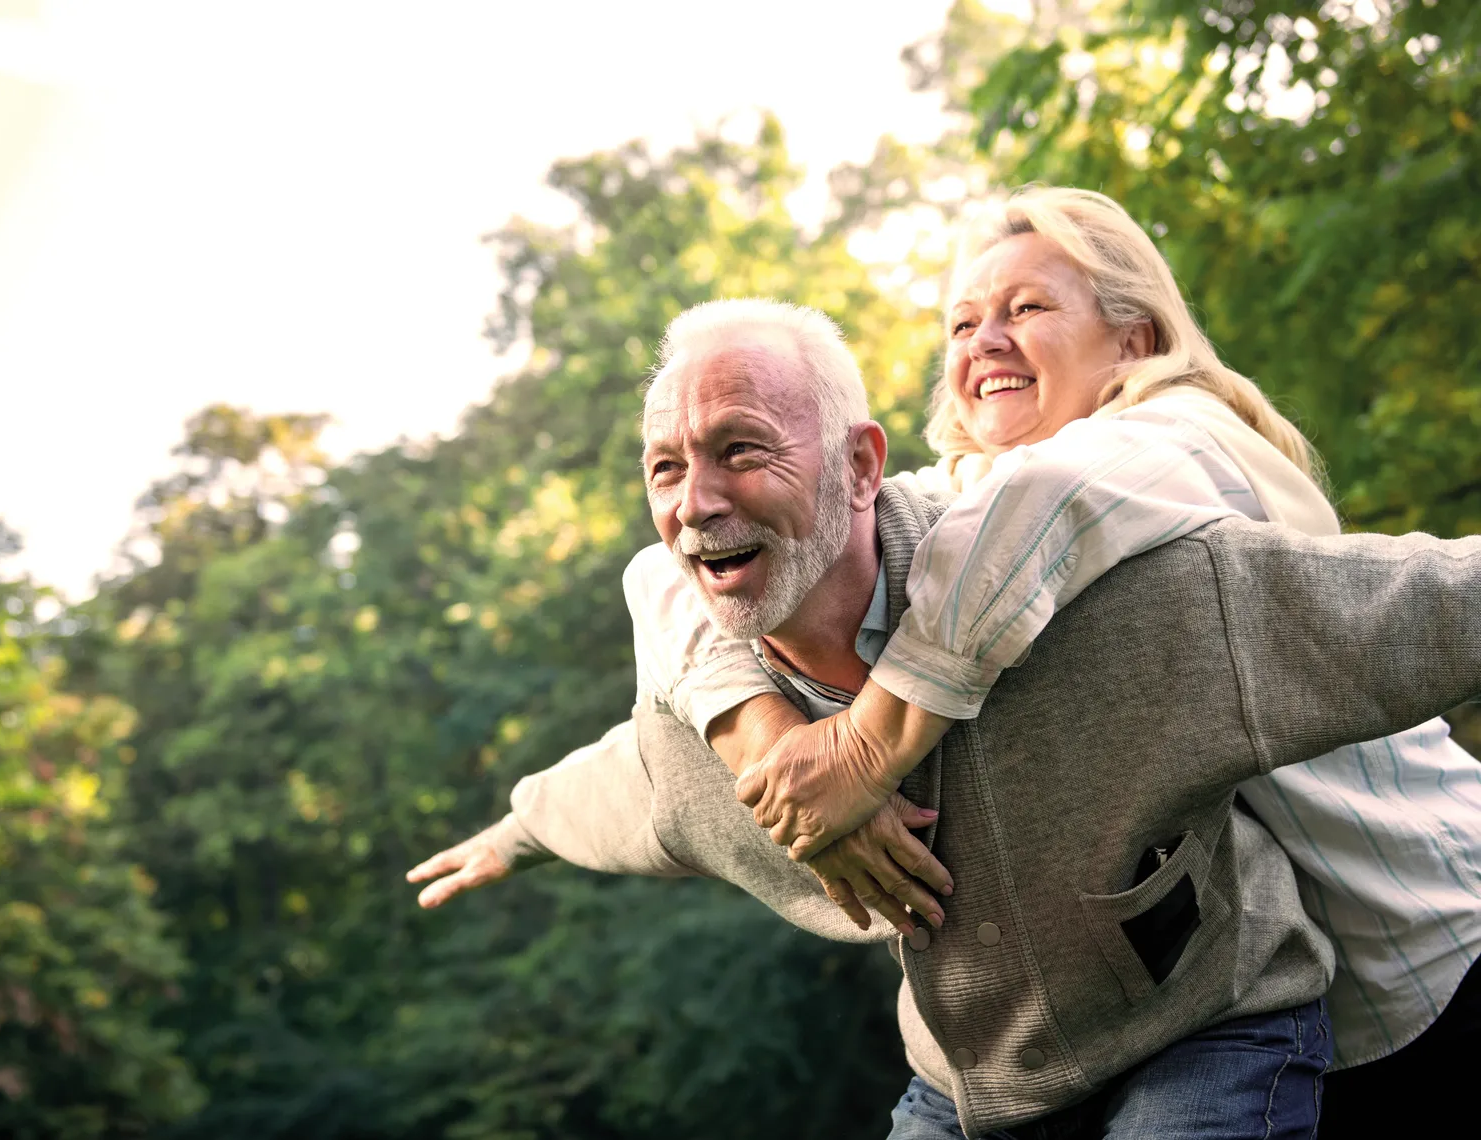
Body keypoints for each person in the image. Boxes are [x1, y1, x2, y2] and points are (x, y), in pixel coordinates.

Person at [408, 298, 1481, 1138]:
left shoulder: (1109, 607)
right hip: (974, 1083)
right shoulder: (713, 739)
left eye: (740, 450)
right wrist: (519, 826)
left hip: (1208, 1031)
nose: (695, 503)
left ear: (859, 466)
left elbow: (1405, 609)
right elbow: (618, 788)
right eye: (665, 469)